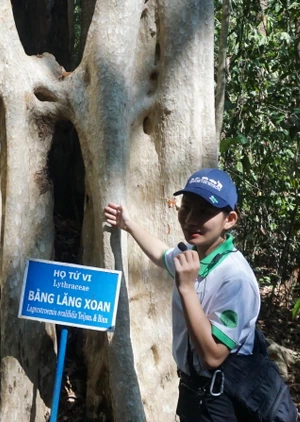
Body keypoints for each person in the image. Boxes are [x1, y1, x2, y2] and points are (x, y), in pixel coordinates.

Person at [104, 168, 260, 421]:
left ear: (229, 219)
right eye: (185, 208)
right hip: (192, 388)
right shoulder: (194, 254)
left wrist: (186, 288)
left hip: (222, 398)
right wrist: (128, 224)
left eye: (204, 212)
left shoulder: (235, 278)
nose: (190, 219)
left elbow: (213, 356)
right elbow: (161, 254)